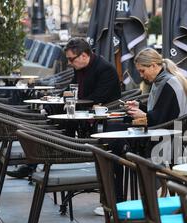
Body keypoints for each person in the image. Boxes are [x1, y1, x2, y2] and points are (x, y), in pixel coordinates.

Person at [7, 38, 122, 179]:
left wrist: (66, 102)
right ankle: (33, 162)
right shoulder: (80, 67)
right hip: (78, 114)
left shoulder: (105, 69)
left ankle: (36, 162)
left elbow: (96, 98)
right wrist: (56, 98)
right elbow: (71, 89)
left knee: (53, 128)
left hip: (98, 118)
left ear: (84, 56)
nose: (69, 63)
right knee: (47, 120)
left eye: (71, 59)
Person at [104, 48, 187, 212]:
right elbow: (161, 112)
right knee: (112, 133)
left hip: (165, 139)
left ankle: (118, 200)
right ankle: (119, 198)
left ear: (153, 66)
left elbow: (162, 119)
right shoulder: (163, 80)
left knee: (113, 139)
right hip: (163, 134)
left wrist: (143, 114)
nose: (142, 75)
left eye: (142, 71)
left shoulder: (168, 84)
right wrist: (140, 107)